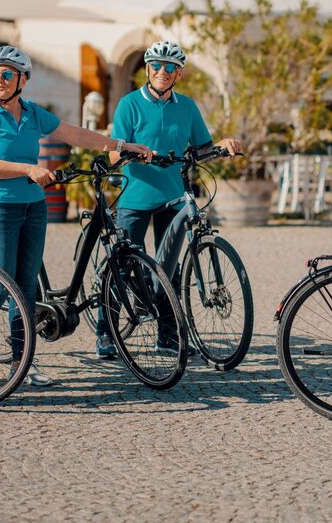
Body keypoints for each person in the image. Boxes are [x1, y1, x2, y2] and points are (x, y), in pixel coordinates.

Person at [0, 45, 152, 388]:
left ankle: (22, 361)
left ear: (22, 80)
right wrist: (28, 169)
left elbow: (75, 134)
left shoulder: (33, 114)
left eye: (6, 74)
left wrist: (122, 146)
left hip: (33, 207)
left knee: (26, 288)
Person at [102, 40, 242, 358]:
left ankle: (167, 337)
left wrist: (222, 144)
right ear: (147, 70)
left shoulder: (187, 106)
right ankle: (106, 333)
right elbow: (114, 151)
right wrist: (128, 152)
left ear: (178, 73)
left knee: (170, 269)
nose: (162, 72)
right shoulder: (129, 104)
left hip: (174, 196)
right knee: (122, 267)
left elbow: (202, 147)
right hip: (135, 196)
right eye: (156, 66)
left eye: (169, 67)